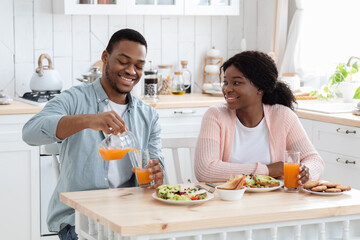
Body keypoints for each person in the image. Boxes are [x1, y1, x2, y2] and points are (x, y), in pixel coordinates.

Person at [22, 28, 164, 240]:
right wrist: (89, 120)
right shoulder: (75, 99)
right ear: (105, 57)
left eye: (139, 66)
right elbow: (30, 132)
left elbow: (155, 168)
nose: (131, 71)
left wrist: (156, 173)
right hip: (80, 220)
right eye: (123, 62)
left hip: (129, 218)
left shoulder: (149, 115)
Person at [194, 51, 324, 183]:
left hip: (274, 199)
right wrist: (268, 170)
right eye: (226, 82)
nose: (227, 89)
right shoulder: (216, 115)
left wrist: (306, 171)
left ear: (260, 88)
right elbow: (205, 170)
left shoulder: (282, 116)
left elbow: (314, 159)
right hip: (228, 200)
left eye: (236, 83)